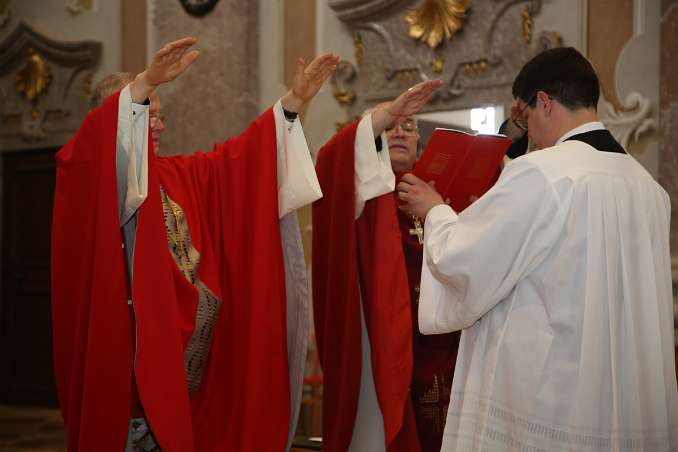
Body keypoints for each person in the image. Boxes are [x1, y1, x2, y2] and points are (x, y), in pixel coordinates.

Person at [51, 37, 339, 452]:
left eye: (160, 114)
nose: (160, 125)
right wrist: (145, 83)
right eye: (148, 111)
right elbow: (103, 162)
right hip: (128, 384)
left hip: (191, 377)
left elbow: (237, 163)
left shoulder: (177, 173)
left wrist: (292, 103)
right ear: (111, 120)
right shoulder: (83, 176)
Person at [397, 47, 678, 451]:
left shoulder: (543, 173)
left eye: (525, 117)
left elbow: (466, 262)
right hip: (624, 396)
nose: (528, 132)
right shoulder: (648, 188)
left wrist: (436, 211)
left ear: (543, 102)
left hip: (554, 398)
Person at [313, 79, 462, 452]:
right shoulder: (365, 194)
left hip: (443, 343)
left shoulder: (441, 193)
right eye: (391, 125)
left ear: (419, 142)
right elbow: (334, 157)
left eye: (409, 128)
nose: (399, 132)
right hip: (384, 340)